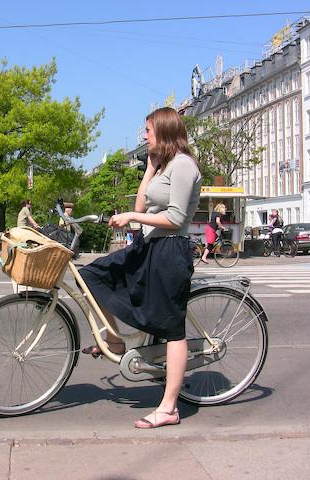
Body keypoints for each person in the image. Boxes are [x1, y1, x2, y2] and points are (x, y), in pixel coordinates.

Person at [79, 107, 202, 429]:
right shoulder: (163, 166)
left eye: (148, 130)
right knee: (91, 275)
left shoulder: (184, 166)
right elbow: (141, 206)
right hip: (149, 246)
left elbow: (175, 218)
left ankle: (169, 408)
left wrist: (133, 218)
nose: (144, 135)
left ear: (162, 131)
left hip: (170, 250)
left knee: (171, 328)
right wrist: (149, 168)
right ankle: (117, 341)